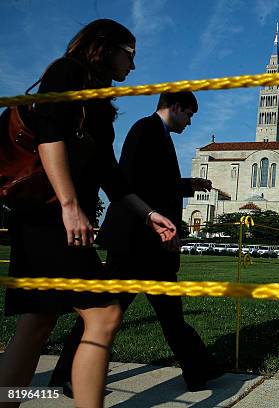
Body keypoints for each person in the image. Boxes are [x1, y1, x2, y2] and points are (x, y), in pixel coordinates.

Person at [0, 19, 176, 408]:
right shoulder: (67, 72)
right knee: (105, 315)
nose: (133, 67)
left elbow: (108, 172)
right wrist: (69, 205)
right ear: (105, 47)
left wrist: (148, 214)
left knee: (36, 323)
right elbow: (50, 138)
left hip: (48, 220)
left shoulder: (96, 101)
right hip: (49, 218)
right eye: (129, 56)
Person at [49, 92, 221, 392]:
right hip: (134, 242)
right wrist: (161, 216)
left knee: (170, 313)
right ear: (176, 107)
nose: (190, 122)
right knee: (103, 313)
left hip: (153, 245)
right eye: (189, 114)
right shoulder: (145, 129)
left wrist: (187, 186)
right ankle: (68, 374)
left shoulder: (159, 134)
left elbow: (155, 182)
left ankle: (199, 371)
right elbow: (129, 182)